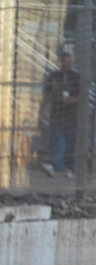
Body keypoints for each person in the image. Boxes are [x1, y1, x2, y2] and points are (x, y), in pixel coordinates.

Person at [39, 44, 81, 176]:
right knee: (54, 140)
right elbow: (46, 94)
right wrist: (42, 110)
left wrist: (72, 100)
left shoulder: (76, 76)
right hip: (56, 113)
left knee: (71, 142)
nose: (67, 64)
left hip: (71, 114)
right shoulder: (54, 75)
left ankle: (70, 168)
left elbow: (82, 96)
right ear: (61, 62)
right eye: (65, 62)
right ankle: (50, 165)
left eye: (69, 62)